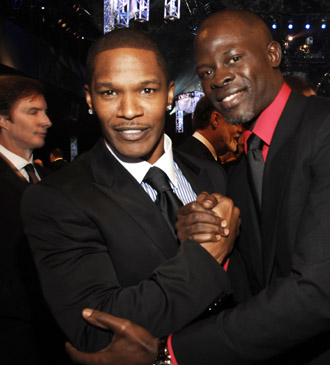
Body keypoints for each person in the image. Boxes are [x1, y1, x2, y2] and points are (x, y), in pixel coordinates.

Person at [65, 9, 330, 365]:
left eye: (233, 59)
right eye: (206, 72)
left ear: (273, 54)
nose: (219, 78)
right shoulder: (237, 172)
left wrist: (167, 352)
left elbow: (318, 294)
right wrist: (207, 242)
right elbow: (252, 285)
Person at [21, 27, 240, 354]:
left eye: (146, 90)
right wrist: (206, 257)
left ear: (169, 96)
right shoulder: (56, 198)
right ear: (90, 99)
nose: (128, 111)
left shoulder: (210, 174)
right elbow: (96, 331)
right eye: (109, 93)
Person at [0, 75, 70, 363]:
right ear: (3, 119)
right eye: (33, 112)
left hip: (57, 332)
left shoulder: (51, 179)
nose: (47, 121)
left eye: (45, 111)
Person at [178, 95, 243, 163]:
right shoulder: (192, 162)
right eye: (236, 123)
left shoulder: (199, 157)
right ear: (216, 119)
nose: (240, 130)